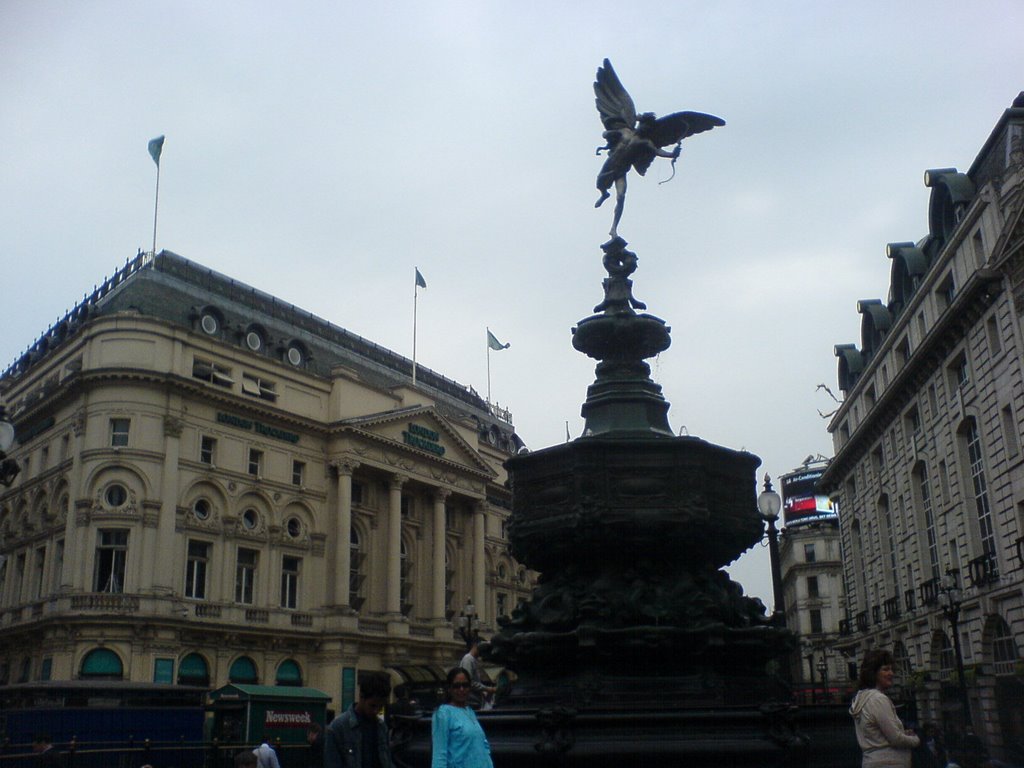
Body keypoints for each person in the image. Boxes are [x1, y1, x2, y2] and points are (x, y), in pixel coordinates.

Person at [850, 649, 920, 767]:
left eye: (891, 669)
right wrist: (915, 740)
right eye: (886, 669)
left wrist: (902, 732)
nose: (891, 673)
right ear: (873, 673)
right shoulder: (878, 699)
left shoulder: (861, 699)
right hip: (889, 763)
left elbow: (878, 734)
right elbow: (896, 739)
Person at [324, 671, 393, 768]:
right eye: (372, 706)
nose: (376, 711)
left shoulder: (381, 727)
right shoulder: (338, 727)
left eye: (380, 707)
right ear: (361, 697)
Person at [432, 667, 493, 768]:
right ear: (449, 688)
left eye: (465, 685)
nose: (461, 689)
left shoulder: (470, 711)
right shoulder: (443, 713)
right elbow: (439, 755)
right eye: (456, 686)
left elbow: (483, 746)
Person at [459, 637, 496, 710]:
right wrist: (488, 689)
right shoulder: (468, 659)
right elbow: (469, 682)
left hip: (474, 700)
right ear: (475, 646)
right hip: (470, 701)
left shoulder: (473, 660)